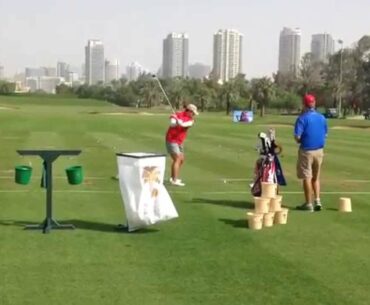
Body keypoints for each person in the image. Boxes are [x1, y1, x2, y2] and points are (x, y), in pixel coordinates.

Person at [294, 94, 328, 212]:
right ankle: (317, 200)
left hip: (307, 151)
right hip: (319, 151)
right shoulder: (322, 117)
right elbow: (325, 134)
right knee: (316, 177)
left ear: (304, 104)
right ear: (314, 103)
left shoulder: (302, 118)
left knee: (307, 177)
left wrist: (301, 140)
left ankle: (309, 204)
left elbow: (297, 137)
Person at [165, 103, 199, 186]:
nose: (194, 114)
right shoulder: (177, 114)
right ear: (189, 111)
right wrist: (176, 119)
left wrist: (179, 121)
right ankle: (174, 180)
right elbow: (172, 124)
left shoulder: (191, 120)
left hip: (179, 141)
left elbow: (184, 125)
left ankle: (173, 177)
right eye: (193, 113)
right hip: (171, 140)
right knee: (177, 159)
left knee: (181, 159)